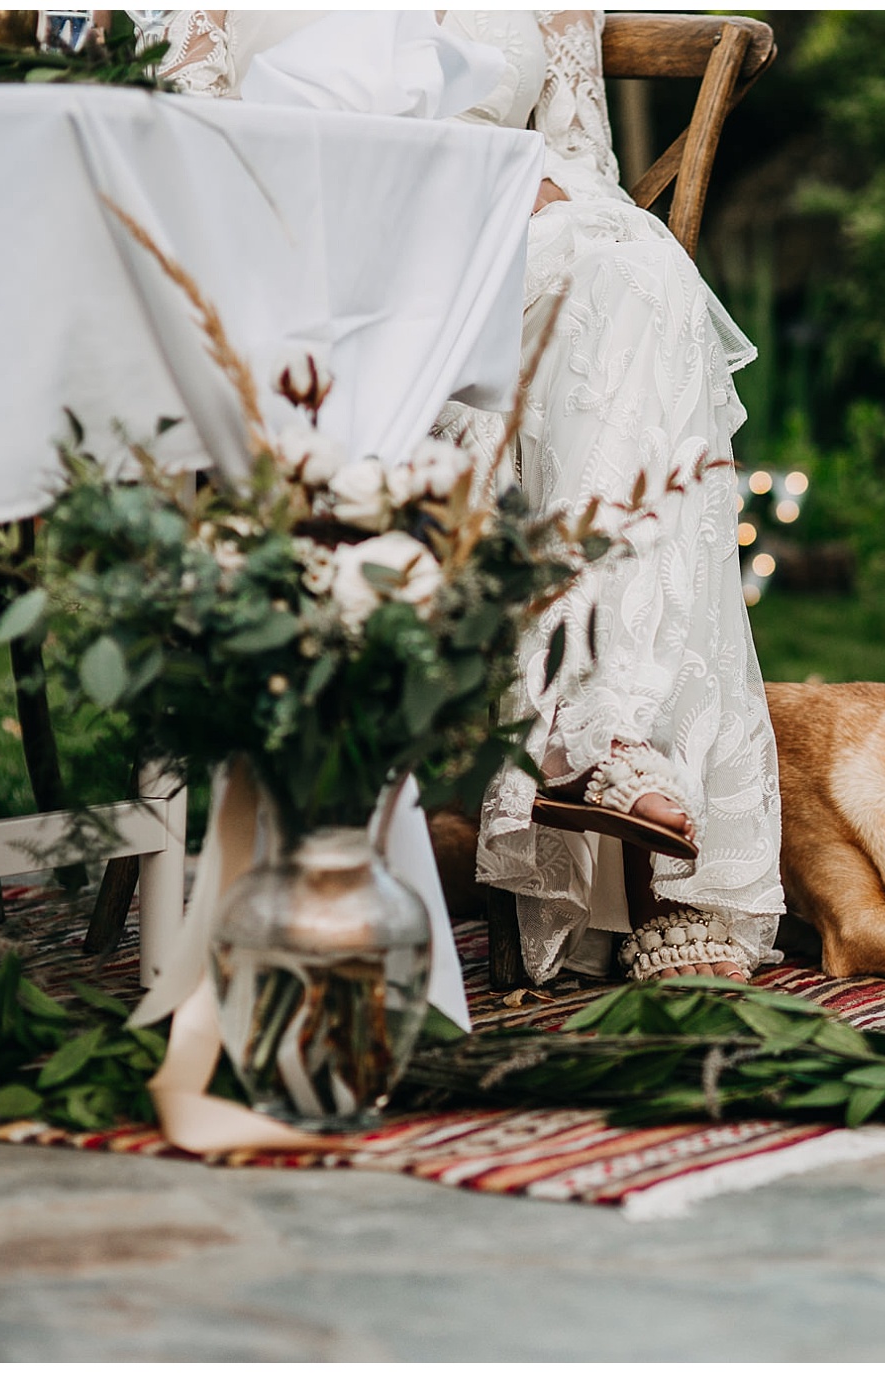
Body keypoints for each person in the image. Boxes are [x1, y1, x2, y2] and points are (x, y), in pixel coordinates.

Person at [157, 11, 785, 984]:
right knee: (626, 299)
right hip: (305, 326)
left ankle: (602, 736)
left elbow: (582, 170)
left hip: (509, 306)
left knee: (631, 269)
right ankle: (626, 818)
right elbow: (169, 150)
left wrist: (510, 211)